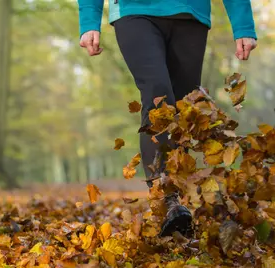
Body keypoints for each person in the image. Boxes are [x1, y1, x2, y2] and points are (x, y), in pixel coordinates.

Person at [77, 0, 257, 237]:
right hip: (136, 11)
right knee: (158, 97)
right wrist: (90, 19)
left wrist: (242, 24)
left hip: (190, 13)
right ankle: (165, 200)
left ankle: (179, 201)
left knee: (184, 109)